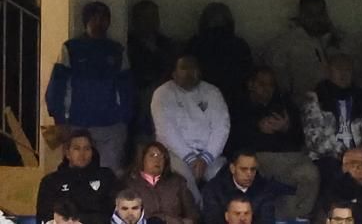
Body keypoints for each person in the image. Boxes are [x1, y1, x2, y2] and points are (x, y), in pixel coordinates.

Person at [44, 13, 132, 183]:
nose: (99, 22)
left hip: (111, 125)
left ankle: (107, 209)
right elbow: (58, 85)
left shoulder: (117, 50)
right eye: (95, 17)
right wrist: (59, 119)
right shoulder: (71, 48)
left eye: (103, 18)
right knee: (75, 173)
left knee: (109, 176)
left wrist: (124, 118)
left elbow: (126, 87)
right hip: (76, 123)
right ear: (85, 21)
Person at [151, 56, 230, 199]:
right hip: (176, 154)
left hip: (209, 154)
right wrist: (191, 158)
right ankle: (196, 215)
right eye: (184, 68)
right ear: (174, 73)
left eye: (193, 68)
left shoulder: (212, 92)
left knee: (225, 181)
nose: (189, 73)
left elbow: (221, 127)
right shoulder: (162, 93)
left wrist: (206, 157)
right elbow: (166, 131)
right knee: (184, 182)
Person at [124, 142, 201, 224]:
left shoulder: (177, 182)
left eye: (162, 157)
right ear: (142, 159)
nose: (158, 160)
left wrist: (189, 221)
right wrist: (164, 218)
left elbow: (192, 211)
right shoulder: (130, 184)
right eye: (152, 155)